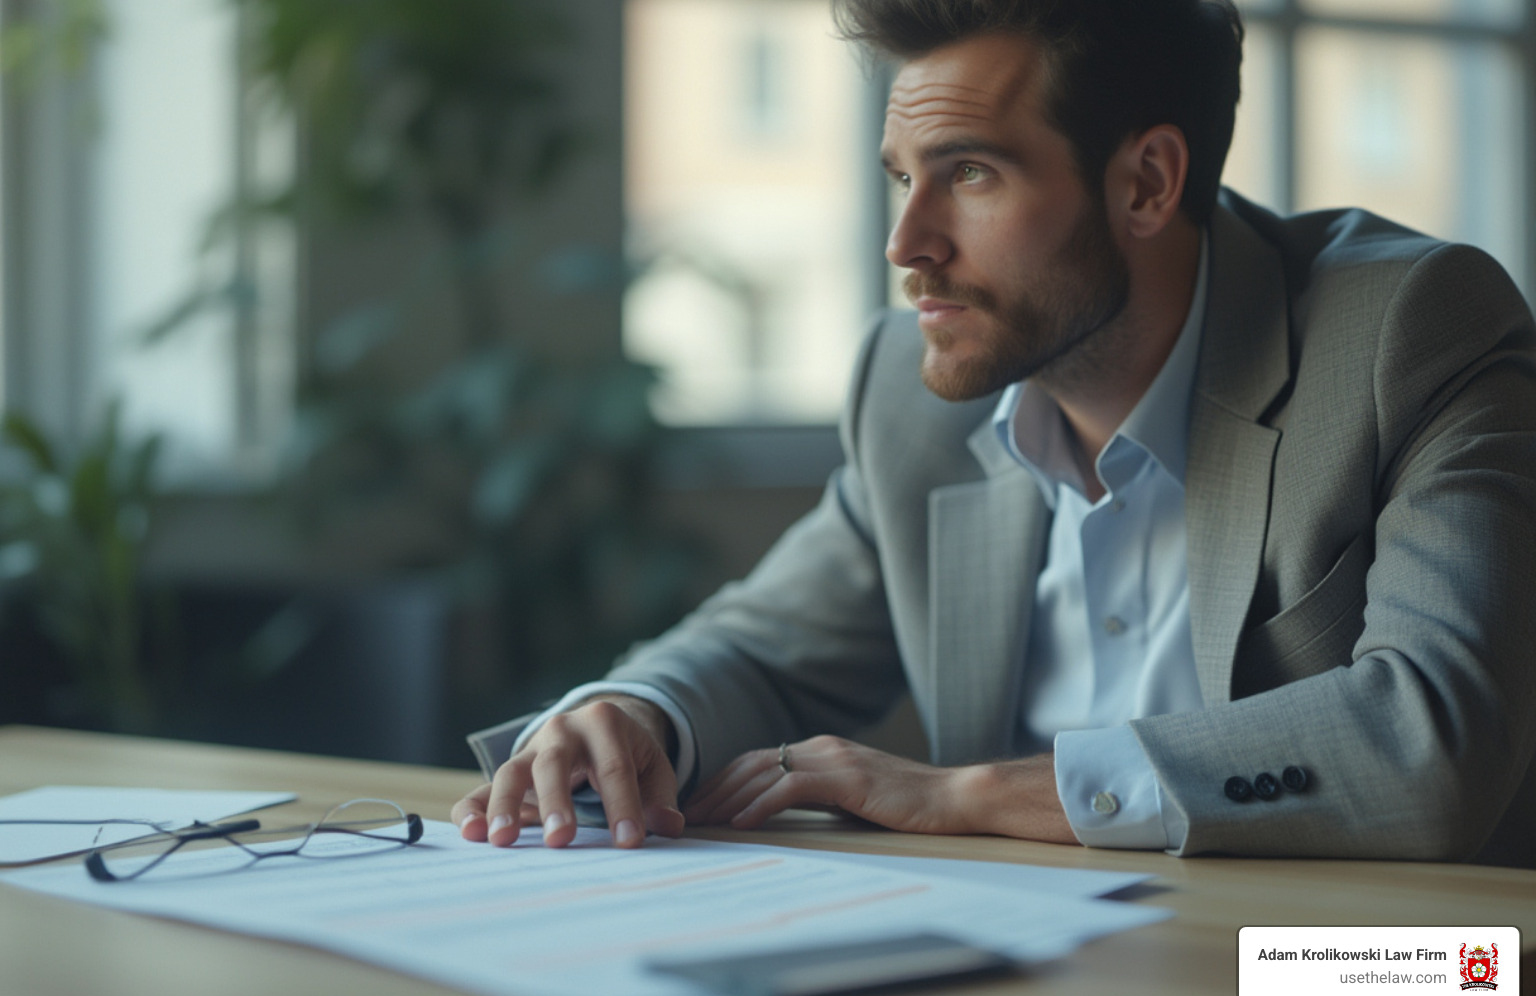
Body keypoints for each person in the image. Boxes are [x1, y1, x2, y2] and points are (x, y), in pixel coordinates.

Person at [452, 0, 1536, 865]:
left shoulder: (1411, 332)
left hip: (1382, 963)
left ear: (1148, 182)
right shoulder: (908, 394)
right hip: (1032, 962)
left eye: (969, 172)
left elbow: (1434, 744)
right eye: (899, 178)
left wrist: (965, 792)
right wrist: (636, 711)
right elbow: (765, 647)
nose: (907, 243)